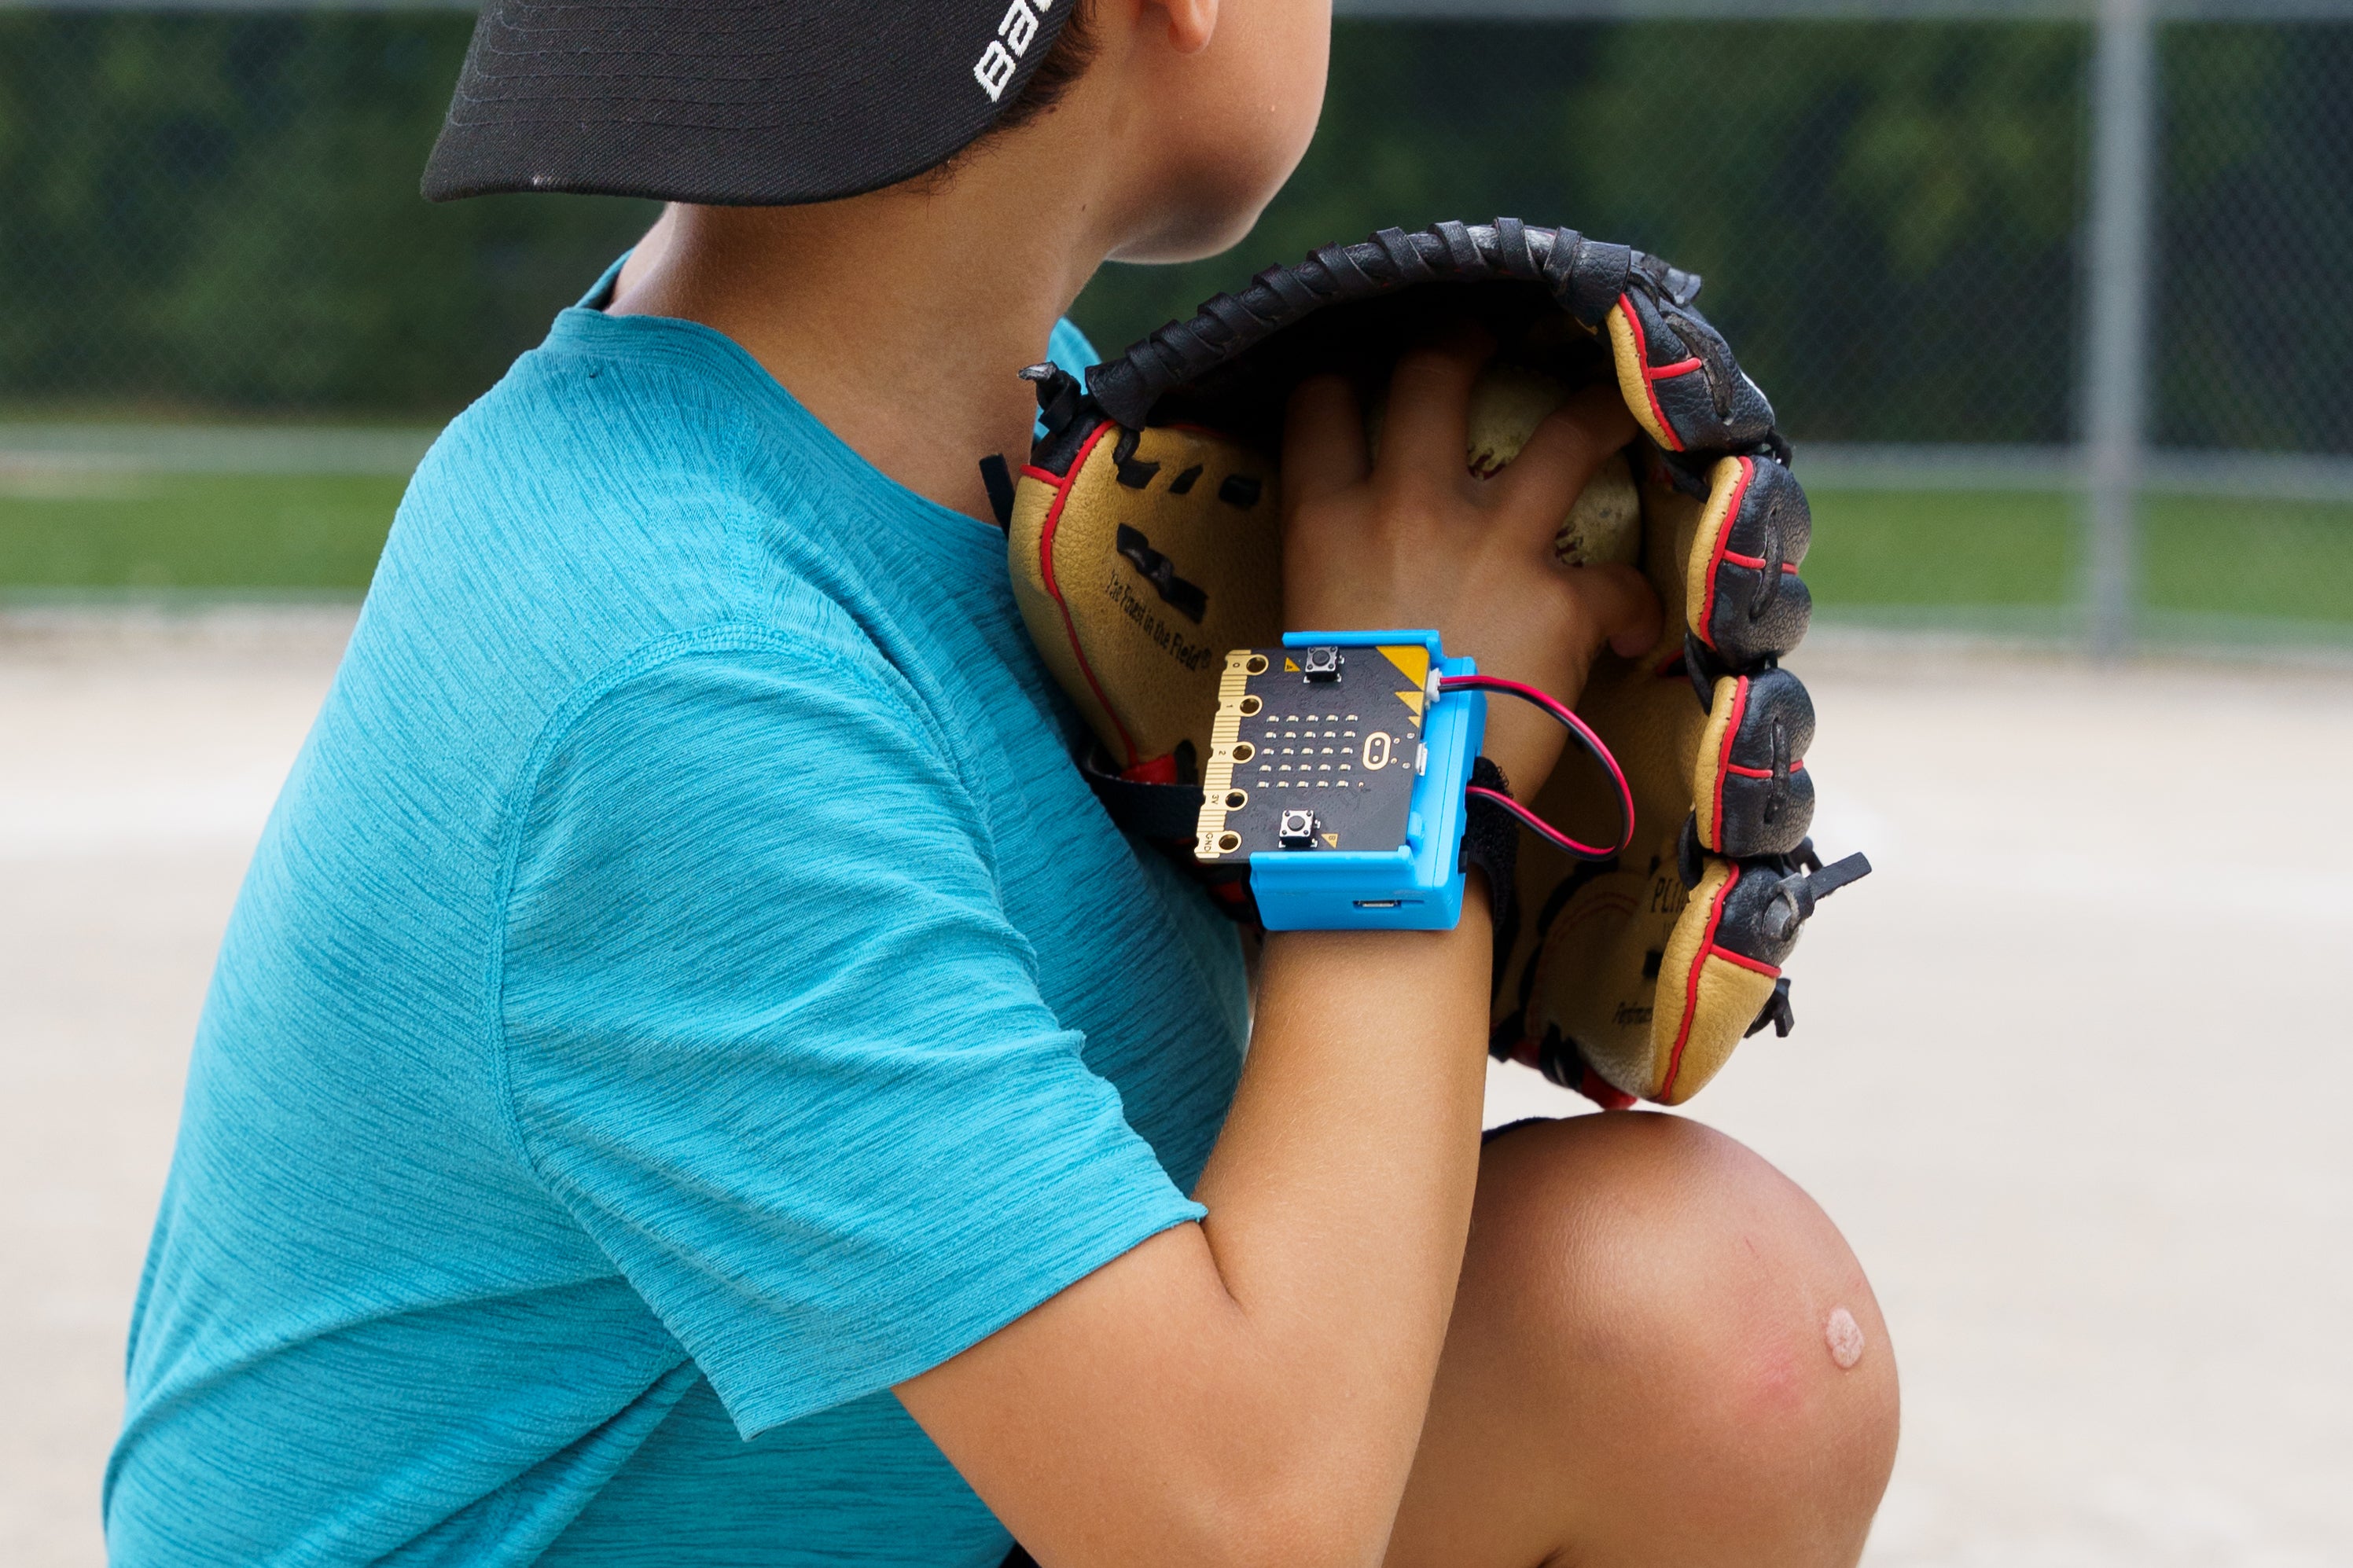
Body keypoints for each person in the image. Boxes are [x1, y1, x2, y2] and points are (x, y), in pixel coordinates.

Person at [105, 0, 1899, 1562]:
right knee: (1696, 1326)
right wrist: (1395, 748)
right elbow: (1240, 1524)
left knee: (1711, 1344)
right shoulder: (676, 667)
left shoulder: (968, 454)